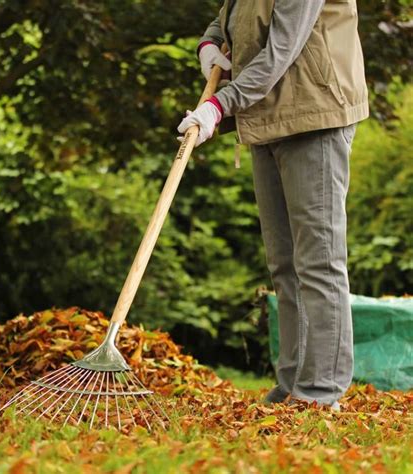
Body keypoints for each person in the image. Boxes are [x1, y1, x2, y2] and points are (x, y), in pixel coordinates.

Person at [177, 0, 369, 411]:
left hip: (314, 114)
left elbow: (282, 49)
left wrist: (219, 105)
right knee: (284, 263)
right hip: (267, 117)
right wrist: (209, 45)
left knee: (318, 259)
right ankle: (292, 384)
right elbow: (230, 16)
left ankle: (320, 391)